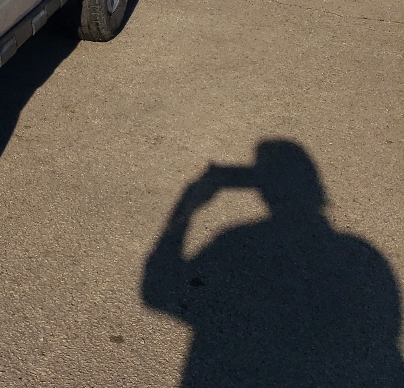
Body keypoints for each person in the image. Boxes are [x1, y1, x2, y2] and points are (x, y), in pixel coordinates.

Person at [142, 140, 404, 387]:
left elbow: (160, 291)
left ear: (260, 187)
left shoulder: (237, 247)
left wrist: (184, 210)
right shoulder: (362, 257)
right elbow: (384, 336)